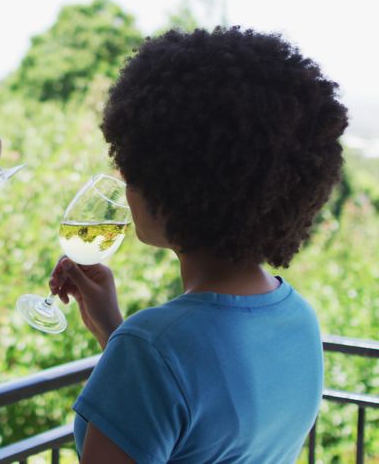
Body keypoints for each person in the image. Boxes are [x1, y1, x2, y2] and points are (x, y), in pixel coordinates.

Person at [50, 26, 348, 463]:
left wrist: (131, 347)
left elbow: (174, 382)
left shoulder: (152, 349)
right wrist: (113, 333)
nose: (126, 180)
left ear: (175, 180)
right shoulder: (299, 319)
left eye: (134, 165)